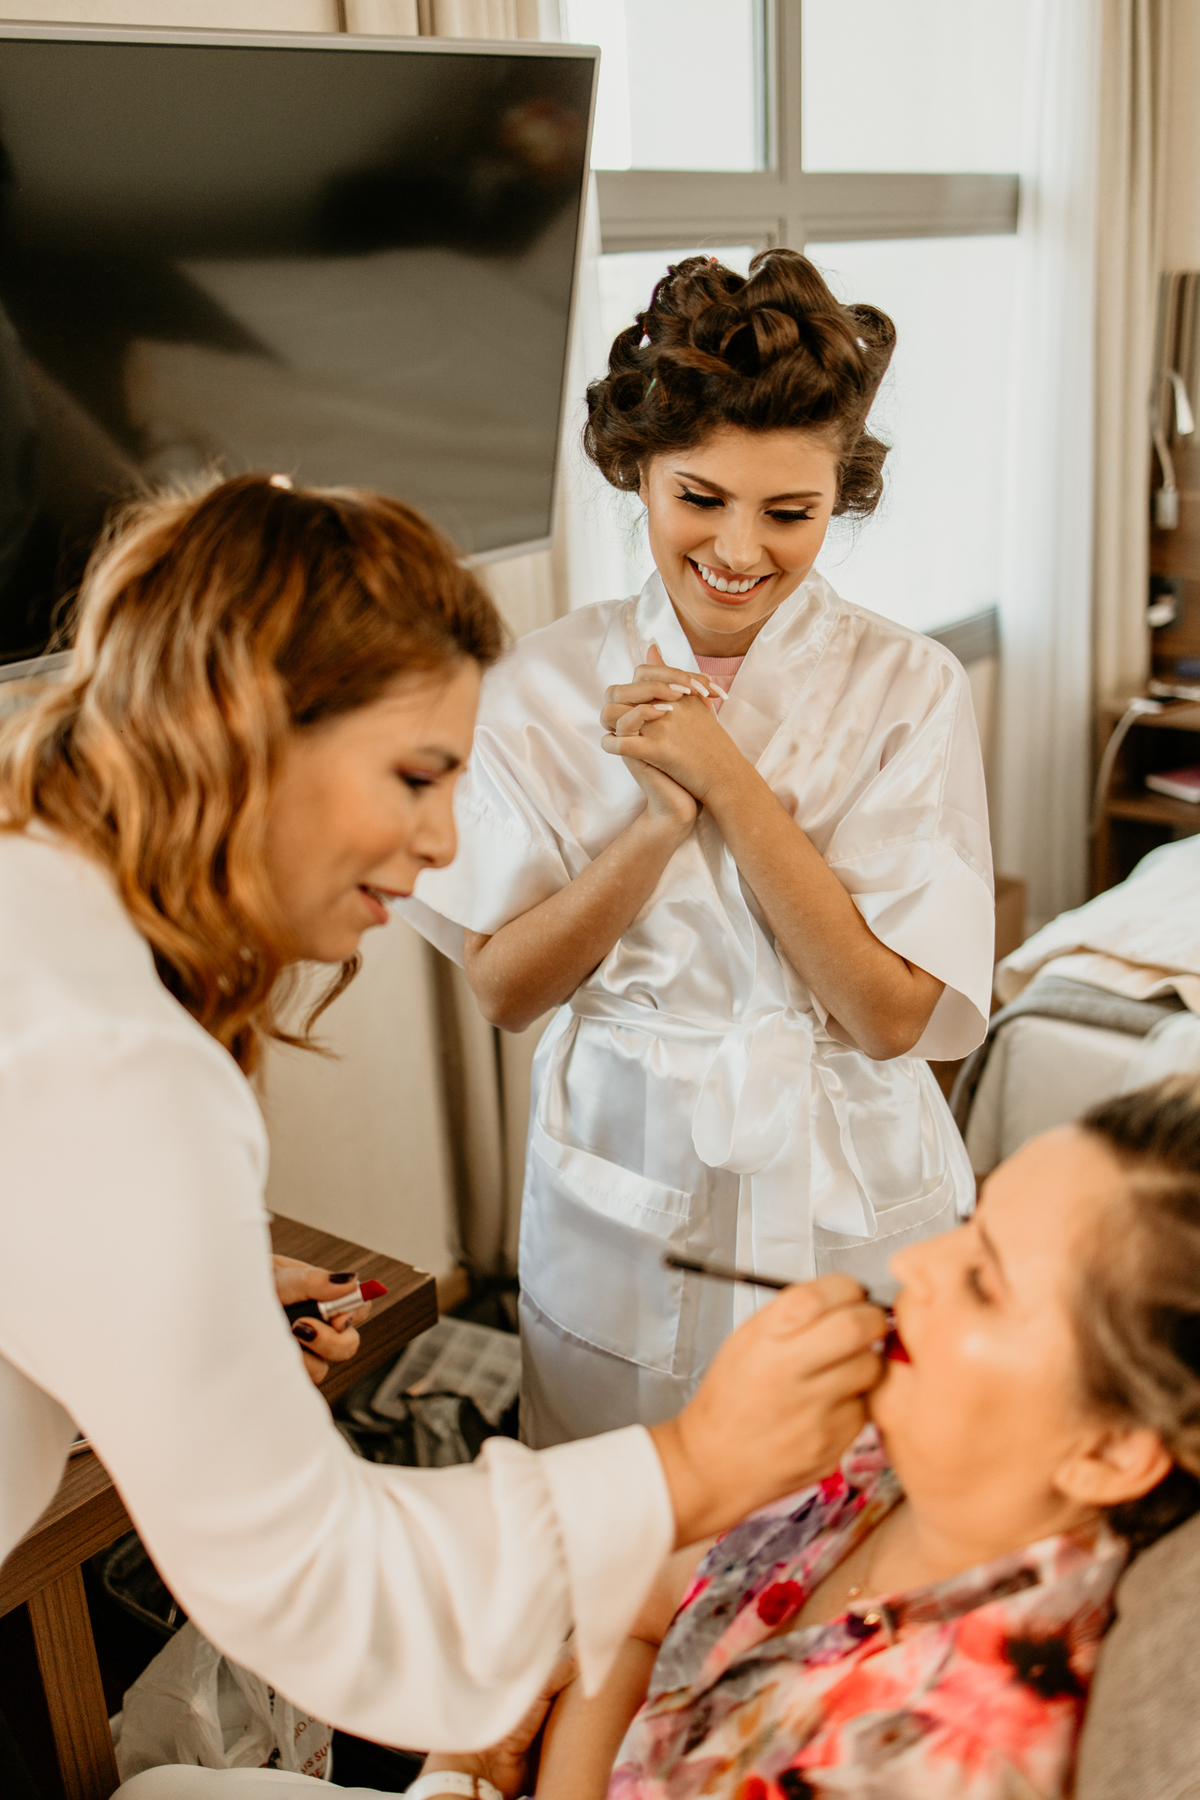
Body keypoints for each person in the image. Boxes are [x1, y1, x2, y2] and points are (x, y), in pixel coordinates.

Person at [0, 474, 891, 1782]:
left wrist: (203, 1282)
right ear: (246, 728)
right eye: (417, 777)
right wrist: (689, 1465)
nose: (438, 843)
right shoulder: (112, 1059)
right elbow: (315, 1578)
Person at [399, 249, 995, 1447]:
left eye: (791, 513)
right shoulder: (541, 683)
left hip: (848, 1178)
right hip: (631, 1175)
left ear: (842, 500)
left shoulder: (908, 686)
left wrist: (723, 782)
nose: (739, 550)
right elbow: (508, 988)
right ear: (638, 475)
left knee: (855, 1530)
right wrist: (658, 822)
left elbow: (888, 1020)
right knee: (633, 1532)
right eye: (699, 499)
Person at [424, 1076, 1200, 1800]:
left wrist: (461, 1773)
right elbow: (640, 1609)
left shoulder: (952, 1755)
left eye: (982, 1282)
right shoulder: (886, 1456)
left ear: (1108, 1452)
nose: (912, 1263)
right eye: (967, 1228)